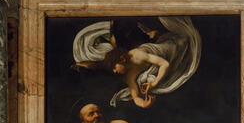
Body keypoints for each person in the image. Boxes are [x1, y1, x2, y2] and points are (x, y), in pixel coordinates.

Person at [72, 16, 201, 108]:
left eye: (114, 68)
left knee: (183, 43)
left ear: (122, 59)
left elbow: (165, 64)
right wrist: (143, 103)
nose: (114, 72)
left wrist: (155, 83)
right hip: (159, 59)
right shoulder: (129, 75)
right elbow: (135, 96)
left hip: (164, 51)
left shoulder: (137, 54)